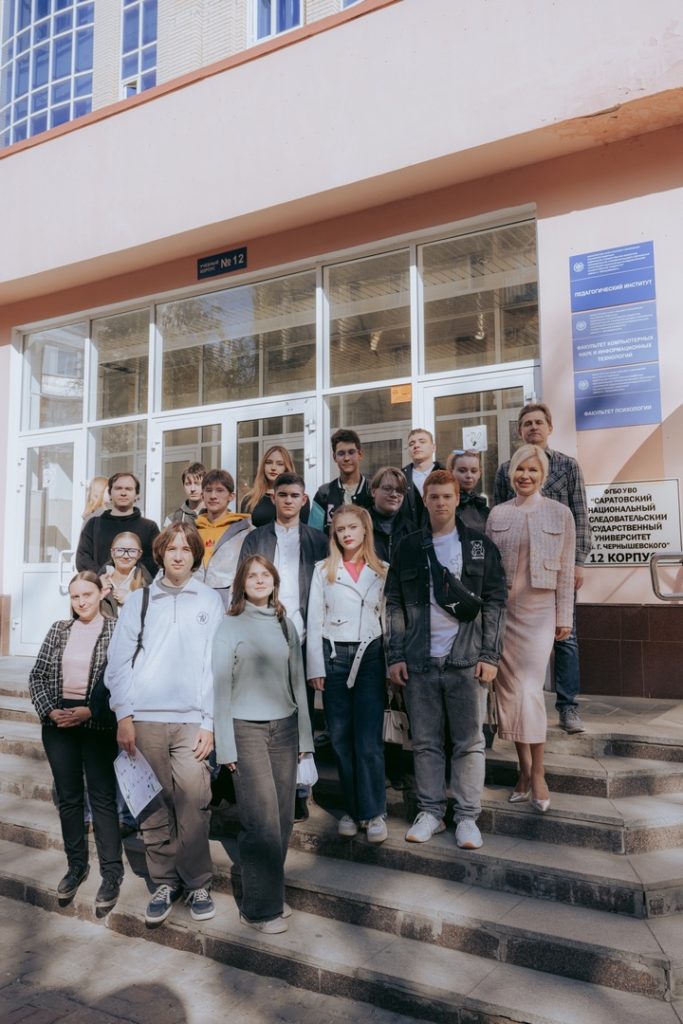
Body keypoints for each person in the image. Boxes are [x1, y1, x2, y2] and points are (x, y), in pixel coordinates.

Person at [105, 523, 225, 925]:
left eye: (185, 549)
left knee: (195, 802)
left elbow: (215, 666)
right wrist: (124, 715)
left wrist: (209, 722)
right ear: (160, 554)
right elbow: (118, 662)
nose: (178, 555)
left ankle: (197, 883)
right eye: (171, 548)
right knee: (152, 806)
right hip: (145, 718)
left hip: (192, 720)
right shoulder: (141, 600)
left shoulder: (209, 599)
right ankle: (164, 882)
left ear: (195, 555)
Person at [386, 469, 506, 849]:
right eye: (434, 496)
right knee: (425, 742)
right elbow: (394, 602)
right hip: (419, 660)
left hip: (466, 660)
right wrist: (395, 654)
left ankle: (468, 817)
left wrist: (490, 654)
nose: (440, 503)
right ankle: (431, 812)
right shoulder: (408, 546)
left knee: (469, 742)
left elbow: (495, 601)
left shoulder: (479, 546)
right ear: (424, 500)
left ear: (458, 499)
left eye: (447, 496)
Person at [213, 555, 314, 934]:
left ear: (274, 582)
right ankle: (258, 910)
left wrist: (305, 737)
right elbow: (221, 688)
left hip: (285, 730)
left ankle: (268, 891)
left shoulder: (285, 625)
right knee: (261, 822)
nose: (259, 580)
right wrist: (225, 746)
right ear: (241, 583)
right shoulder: (229, 626)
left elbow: (298, 682)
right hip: (246, 731)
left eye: (265, 575)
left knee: (284, 820)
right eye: (252, 575)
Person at [486, 444, 574, 812]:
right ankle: (523, 771)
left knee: (528, 690)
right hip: (504, 614)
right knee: (510, 696)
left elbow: (566, 570)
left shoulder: (560, 513)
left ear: (543, 476)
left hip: (540, 613)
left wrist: (564, 616)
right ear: (511, 475)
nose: (525, 476)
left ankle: (538, 772)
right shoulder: (498, 513)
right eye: (520, 470)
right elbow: (488, 573)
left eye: (533, 470)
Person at [493, 402, 591, 734]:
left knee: (566, 636)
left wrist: (578, 562)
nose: (533, 427)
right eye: (527, 423)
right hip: (516, 577)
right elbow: (501, 513)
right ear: (519, 430)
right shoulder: (506, 469)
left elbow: (580, 515)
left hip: (555, 571)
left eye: (539, 422)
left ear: (549, 427)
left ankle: (568, 706)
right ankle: (515, 714)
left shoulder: (567, 465)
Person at [28, 572, 123, 909]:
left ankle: (111, 873)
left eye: (87, 594)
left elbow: (120, 680)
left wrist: (91, 712)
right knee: (68, 798)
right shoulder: (59, 629)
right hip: (59, 722)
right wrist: (50, 712)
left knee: (102, 797)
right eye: (75, 596)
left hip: (96, 721)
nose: (81, 601)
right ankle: (76, 866)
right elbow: (38, 675)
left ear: (101, 594)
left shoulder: (116, 630)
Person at [238, 472, 327, 820]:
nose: (289, 500)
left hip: (304, 634)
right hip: (263, 634)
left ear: (304, 500)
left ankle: (301, 789)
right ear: (273, 498)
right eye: (283, 494)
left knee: (301, 712)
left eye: (295, 495)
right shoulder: (256, 538)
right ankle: (273, 786)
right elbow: (243, 582)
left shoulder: (318, 540)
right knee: (268, 712)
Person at [307, 506, 388, 843]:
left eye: (352, 527)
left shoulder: (382, 570)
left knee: (368, 739)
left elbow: (387, 619)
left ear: (365, 529)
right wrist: (315, 667)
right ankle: (353, 810)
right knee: (340, 738)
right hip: (334, 656)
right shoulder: (323, 570)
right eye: (340, 530)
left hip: (370, 655)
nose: (347, 534)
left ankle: (374, 811)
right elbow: (314, 619)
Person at [76, 472, 159, 580]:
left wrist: (131, 579)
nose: (123, 493)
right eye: (118, 488)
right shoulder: (94, 524)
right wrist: (102, 577)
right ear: (110, 493)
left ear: (136, 494)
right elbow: (83, 558)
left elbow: (155, 559)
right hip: (101, 586)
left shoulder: (149, 527)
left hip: (136, 587)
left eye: (128, 489)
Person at [195, 469, 252, 608]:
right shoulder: (191, 530)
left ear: (231, 496)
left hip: (228, 603)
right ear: (202, 495)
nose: (213, 496)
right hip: (193, 599)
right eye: (208, 490)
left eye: (220, 490)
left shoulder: (245, 531)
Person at [309, 429, 373, 533]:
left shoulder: (373, 491)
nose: (346, 458)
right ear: (334, 457)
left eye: (351, 452)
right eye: (341, 453)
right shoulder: (324, 493)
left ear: (360, 454)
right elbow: (313, 534)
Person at [240, 446, 310, 527]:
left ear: (286, 468)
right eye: (268, 462)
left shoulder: (299, 499)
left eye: (280, 464)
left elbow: (303, 531)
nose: (273, 468)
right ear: (263, 466)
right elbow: (244, 531)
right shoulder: (249, 500)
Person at [369, 465, 416, 563]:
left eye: (400, 491)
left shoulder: (411, 530)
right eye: (387, 489)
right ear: (373, 492)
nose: (394, 495)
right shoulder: (360, 525)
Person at [100, 531, 152, 617]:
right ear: (112, 553)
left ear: (139, 554)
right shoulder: (100, 580)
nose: (125, 556)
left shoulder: (147, 583)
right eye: (120, 550)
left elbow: (154, 614)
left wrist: (130, 598)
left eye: (132, 551)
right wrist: (98, 592)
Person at [402, 428, 443, 526]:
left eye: (422, 441)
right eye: (411, 444)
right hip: (408, 533)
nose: (416, 445)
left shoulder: (446, 474)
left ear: (433, 447)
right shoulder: (400, 477)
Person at [446, 450, 489, 533]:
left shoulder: (481, 506)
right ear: (451, 472)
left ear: (480, 473)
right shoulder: (444, 503)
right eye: (462, 471)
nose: (469, 476)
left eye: (474, 471)